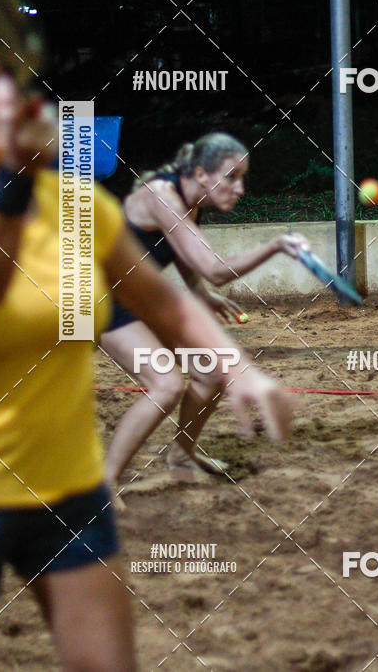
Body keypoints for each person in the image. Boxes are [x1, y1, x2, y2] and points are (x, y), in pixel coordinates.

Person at [0, 56, 291, 670]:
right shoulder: (116, 194)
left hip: (68, 491)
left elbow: (175, 300)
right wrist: (14, 185)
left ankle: (161, 463)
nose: (12, 97)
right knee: (168, 378)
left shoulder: (79, 206)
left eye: (8, 79)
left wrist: (242, 370)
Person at [101, 133, 309, 497]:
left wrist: (202, 295)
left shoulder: (186, 201)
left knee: (211, 373)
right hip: (95, 301)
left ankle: (182, 457)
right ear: (200, 173)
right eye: (230, 177)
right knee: (166, 385)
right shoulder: (161, 197)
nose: (239, 187)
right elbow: (213, 267)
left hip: (138, 298)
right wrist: (276, 245)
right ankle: (102, 486)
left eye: (242, 177)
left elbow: (186, 261)